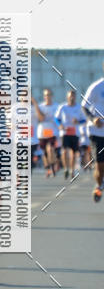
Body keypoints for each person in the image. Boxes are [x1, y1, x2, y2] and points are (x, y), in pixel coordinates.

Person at [81, 71, 104, 201]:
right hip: (97, 133)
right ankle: (99, 185)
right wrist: (93, 118)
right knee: (100, 166)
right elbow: (84, 107)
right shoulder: (97, 87)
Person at [55, 90, 85, 180]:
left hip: (75, 133)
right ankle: (66, 168)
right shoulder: (62, 107)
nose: (71, 98)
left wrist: (78, 121)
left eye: (73, 96)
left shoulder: (79, 107)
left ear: (75, 97)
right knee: (64, 151)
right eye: (70, 96)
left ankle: (72, 170)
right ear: (67, 97)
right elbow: (57, 118)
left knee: (73, 152)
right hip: (65, 132)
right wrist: (59, 125)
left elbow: (84, 119)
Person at [36, 88, 58, 177]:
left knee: (50, 149)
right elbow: (39, 119)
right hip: (42, 132)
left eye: (49, 95)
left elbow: (59, 119)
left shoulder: (56, 106)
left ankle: (53, 167)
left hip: (52, 132)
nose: (47, 97)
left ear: (52, 96)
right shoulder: (40, 106)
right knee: (44, 152)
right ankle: (48, 168)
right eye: (45, 95)